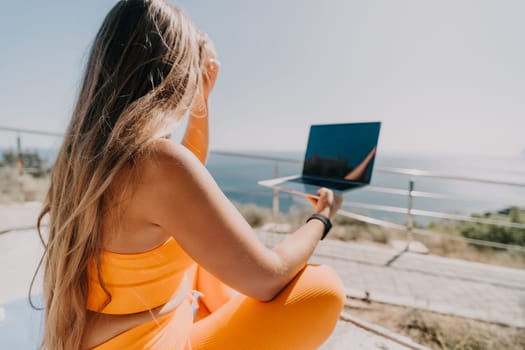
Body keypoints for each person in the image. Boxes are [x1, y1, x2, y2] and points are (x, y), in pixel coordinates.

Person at [34, 1, 345, 349]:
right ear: (176, 74)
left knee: (205, 245)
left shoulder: (85, 158)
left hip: (107, 337)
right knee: (323, 289)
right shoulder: (156, 162)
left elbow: (184, 174)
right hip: (152, 339)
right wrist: (321, 218)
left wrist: (203, 97)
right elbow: (268, 277)